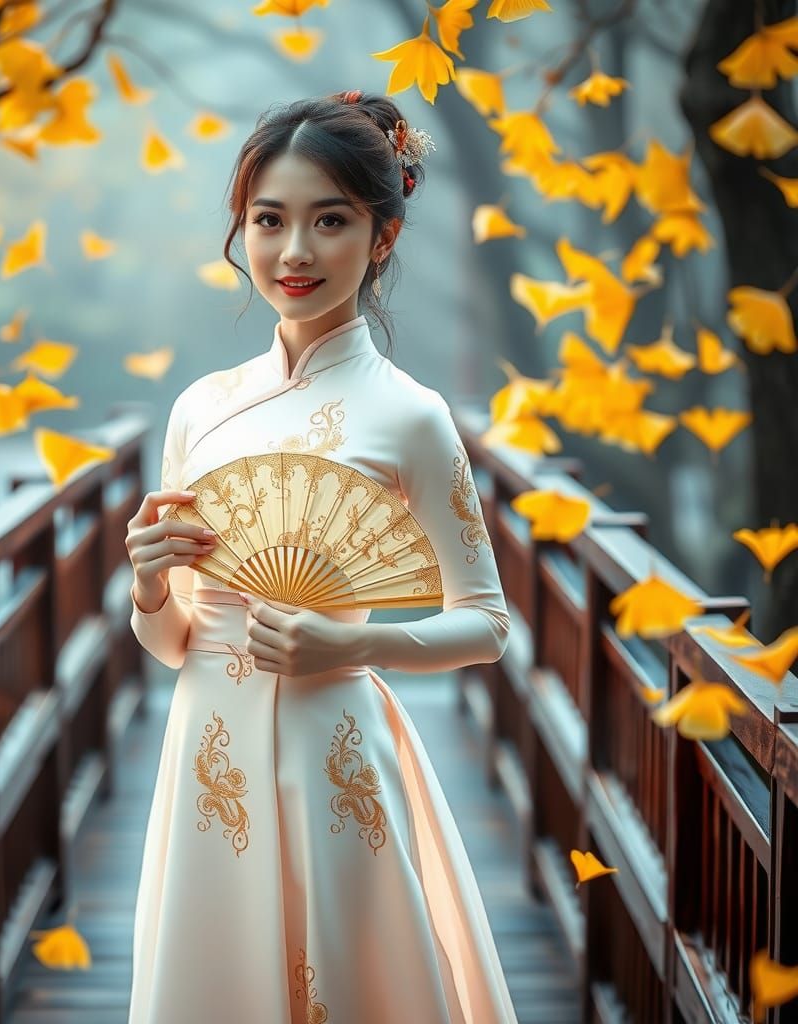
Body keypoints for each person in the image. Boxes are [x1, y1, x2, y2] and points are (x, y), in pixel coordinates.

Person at [124, 89, 517, 1024]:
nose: (294, 251)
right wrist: (145, 582)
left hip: (334, 739)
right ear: (242, 230)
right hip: (206, 737)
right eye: (269, 220)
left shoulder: (412, 416)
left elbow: (488, 625)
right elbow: (176, 640)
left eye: (329, 220)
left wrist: (352, 647)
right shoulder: (199, 408)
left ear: (380, 235)